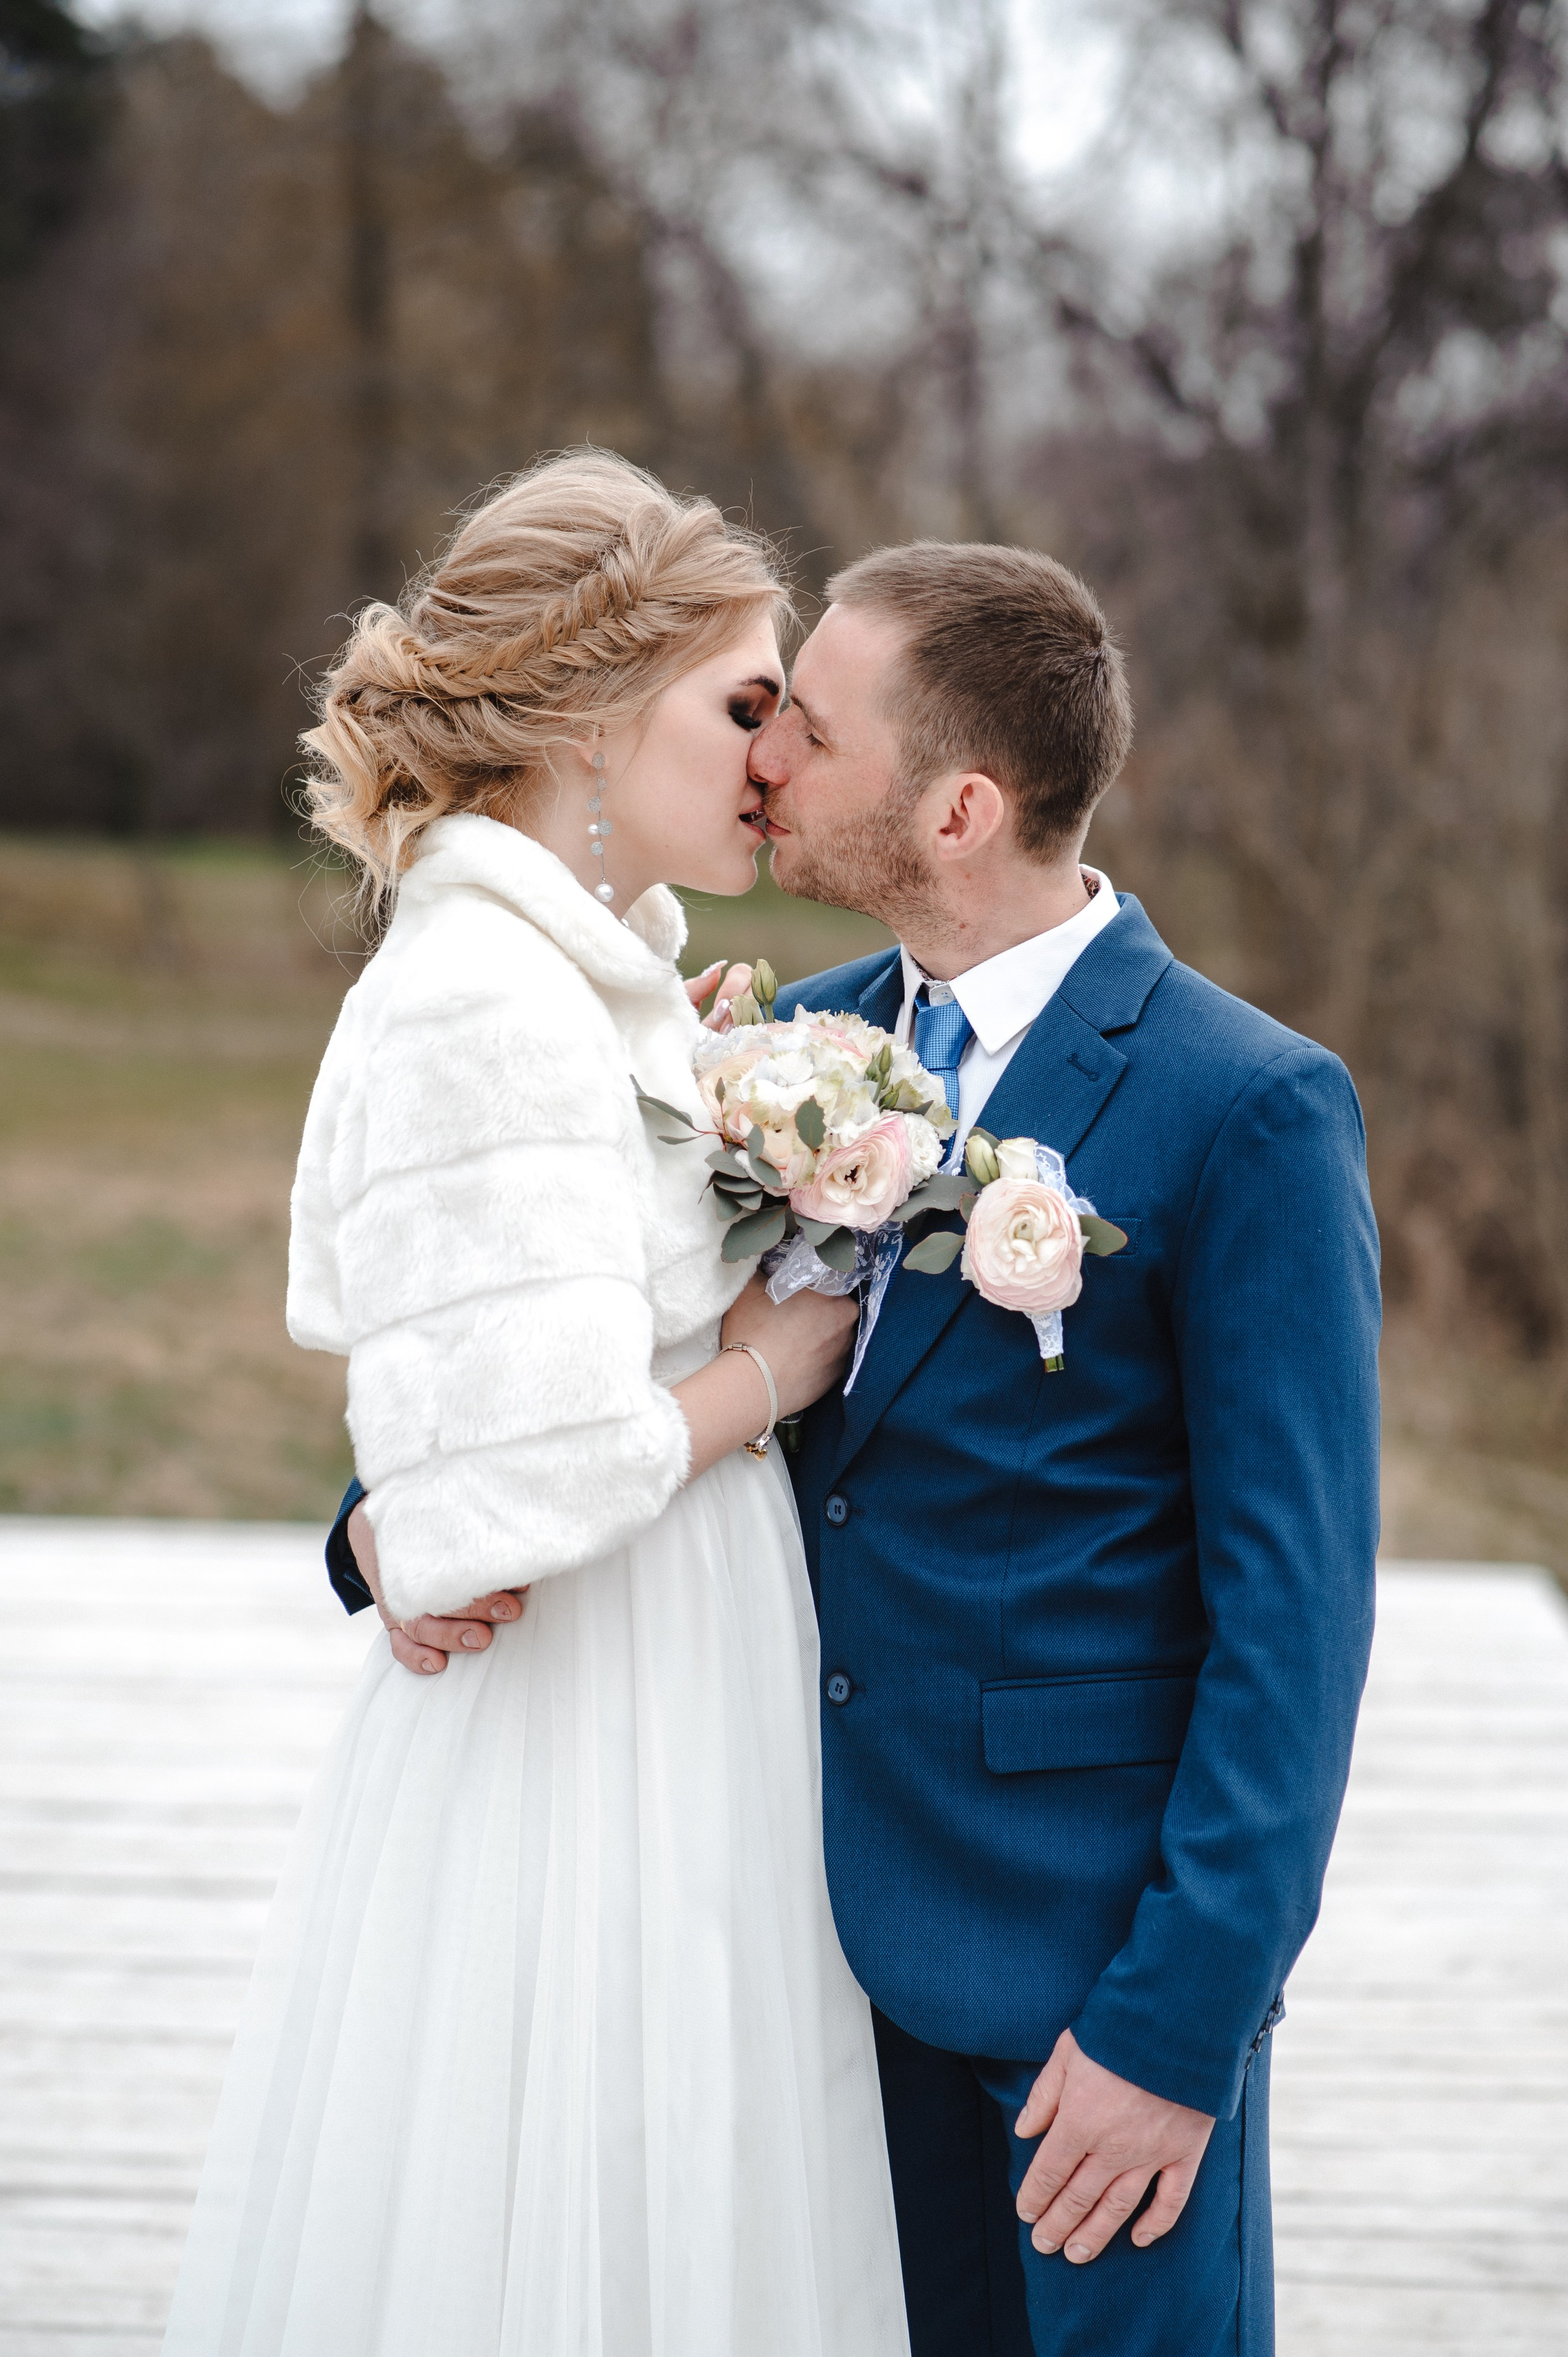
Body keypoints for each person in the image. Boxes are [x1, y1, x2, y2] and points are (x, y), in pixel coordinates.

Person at [335, 538, 1381, 2356]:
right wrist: (402, 1523)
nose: (763, 762)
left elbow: (1296, 1626)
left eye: (806, 730)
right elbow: (585, 1339)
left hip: (1088, 2006)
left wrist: (1180, 2024)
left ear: (960, 805)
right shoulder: (789, 1051)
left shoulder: (1248, 1110)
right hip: (795, 1973)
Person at [160, 452, 911, 2357]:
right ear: (592, 705)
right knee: (566, 2176)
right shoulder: (489, 991)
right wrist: (772, 1367)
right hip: (600, 1697)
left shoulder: (605, 987)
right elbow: (537, 1458)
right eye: (746, 703)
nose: (773, 754)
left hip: (681, 1661)